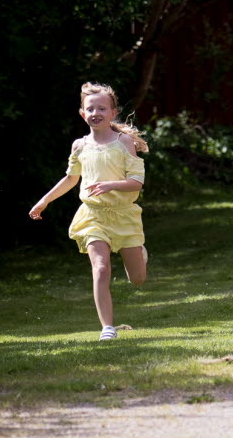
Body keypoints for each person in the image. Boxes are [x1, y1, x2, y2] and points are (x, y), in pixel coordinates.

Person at [29, 83, 148, 340]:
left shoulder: (123, 142)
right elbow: (71, 179)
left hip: (124, 214)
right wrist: (44, 201)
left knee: (137, 279)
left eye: (102, 108)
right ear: (82, 113)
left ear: (113, 112)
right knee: (101, 268)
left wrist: (110, 185)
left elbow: (136, 182)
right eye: (90, 108)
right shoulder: (79, 146)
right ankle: (107, 327)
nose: (96, 112)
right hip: (93, 215)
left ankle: (140, 254)